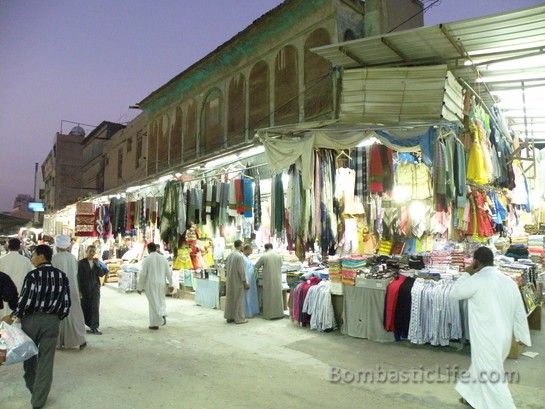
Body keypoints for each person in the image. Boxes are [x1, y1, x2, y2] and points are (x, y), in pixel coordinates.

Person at [451, 246, 531, 409]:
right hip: (504, 339)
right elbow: (519, 312)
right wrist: (521, 336)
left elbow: (455, 293)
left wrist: (467, 273)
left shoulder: (477, 280)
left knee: (491, 376)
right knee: (481, 367)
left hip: (486, 338)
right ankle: (470, 396)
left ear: (475, 262)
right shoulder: (508, 281)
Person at [2, 244, 70, 409]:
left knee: (30, 358)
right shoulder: (62, 276)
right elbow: (67, 303)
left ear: (41, 256)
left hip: (31, 321)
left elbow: (26, 300)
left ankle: (35, 390)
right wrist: (56, 318)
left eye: (33, 255)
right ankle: (39, 400)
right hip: (52, 322)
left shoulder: (33, 276)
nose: (31, 258)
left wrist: (13, 316)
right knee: (46, 361)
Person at [52, 235, 87, 349]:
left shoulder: (54, 258)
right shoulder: (72, 258)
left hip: (57, 291)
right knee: (74, 314)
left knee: (58, 316)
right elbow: (76, 274)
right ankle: (79, 340)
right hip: (72, 289)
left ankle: (59, 342)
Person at [137, 243, 173, 330]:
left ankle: (159, 317)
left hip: (150, 283)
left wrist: (139, 287)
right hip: (161, 283)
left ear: (148, 249)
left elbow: (143, 274)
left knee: (153, 302)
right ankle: (155, 322)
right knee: (160, 300)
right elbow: (168, 272)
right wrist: (171, 284)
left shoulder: (147, 259)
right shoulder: (163, 258)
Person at [77, 245, 106, 335]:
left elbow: (101, 274)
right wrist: (79, 290)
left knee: (95, 307)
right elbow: (78, 277)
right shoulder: (81, 263)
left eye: (93, 251)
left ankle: (94, 327)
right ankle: (84, 326)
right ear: (86, 251)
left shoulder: (97, 262)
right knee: (84, 307)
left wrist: (97, 265)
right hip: (84, 289)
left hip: (95, 289)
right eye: (90, 251)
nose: (92, 253)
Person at [254, 243, 284, 319]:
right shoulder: (278, 255)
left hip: (268, 279)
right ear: (272, 247)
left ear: (265, 248)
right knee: (277, 296)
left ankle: (270, 315)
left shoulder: (264, 256)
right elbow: (281, 265)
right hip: (277, 279)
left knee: (269, 296)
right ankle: (279, 314)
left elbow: (256, 266)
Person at [224, 240, 249, 324]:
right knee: (238, 300)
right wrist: (245, 282)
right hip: (237, 281)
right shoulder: (239, 256)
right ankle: (239, 319)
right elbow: (241, 271)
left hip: (230, 280)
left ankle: (230, 317)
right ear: (240, 245)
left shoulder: (231, 255)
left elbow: (225, 266)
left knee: (230, 299)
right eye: (243, 245)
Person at [242, 244, 259, 318]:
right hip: (247, 280)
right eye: (250, 250)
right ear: (247, 249)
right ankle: (247, 313)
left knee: (250, 296)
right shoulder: (242, 258)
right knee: (247, 296)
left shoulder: (246, 258)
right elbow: (243, 271)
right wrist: (245, 282)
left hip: (250, 280)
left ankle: (251, 311)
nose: (251, 252)